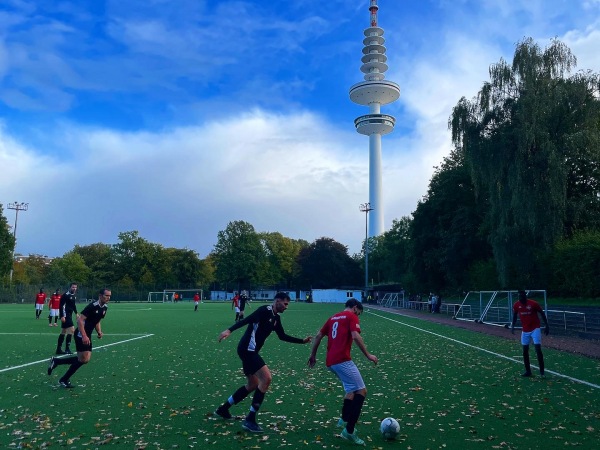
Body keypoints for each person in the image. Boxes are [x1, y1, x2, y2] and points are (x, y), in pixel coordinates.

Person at [214, 292, 312, 433]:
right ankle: (250, 420)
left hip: (248, 351)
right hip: (248, 350)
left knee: (253, 384)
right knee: (266, 379)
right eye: (285, 303)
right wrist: (229, 330)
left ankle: (223, 409)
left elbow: (282, 336)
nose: (286, 307)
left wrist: (302, 341)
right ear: (277, 301)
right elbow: (248, 319)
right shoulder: (264, 310)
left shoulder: (276, 318)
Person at [307, 298, 378, 446]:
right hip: (342, 360)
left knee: (351, 390)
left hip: (331, 362)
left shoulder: (333, 317)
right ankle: (349, 431)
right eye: (359, 312)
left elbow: (319, 336)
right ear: (355, 307)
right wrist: (368, 355)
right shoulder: (351, 316)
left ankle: (344, 419)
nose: (358, 315)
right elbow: (355, 336)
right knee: (362, 391)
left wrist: (313, 355)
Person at [47, 288, 111, 388]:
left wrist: (99, 332)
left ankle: (56, 361)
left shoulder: (105, 308)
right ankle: (63, 379)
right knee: (83, 359)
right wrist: (84, 336)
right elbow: (80, 320)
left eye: (109, 296)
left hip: (87, 334)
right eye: (106, 295)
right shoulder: (92, 306)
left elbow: (97, 321)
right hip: (81, 334)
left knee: (84, 359)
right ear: (100, 295)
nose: (108, 298)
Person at [511, 290, 550, 377]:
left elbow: (542, 313)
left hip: (535, 328)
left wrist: (547, 325)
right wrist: (513, 326)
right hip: (525, 330)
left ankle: (542, 372)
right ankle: (528, 371)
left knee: (538, 349)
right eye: (519, 297)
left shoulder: (533, 304)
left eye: (522, 296)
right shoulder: (516, 305)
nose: (520, 298)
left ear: (525, 296)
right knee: (525, 351)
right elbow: (514, 315)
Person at [55, 283, 79, 355]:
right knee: (72, 330)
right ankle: (67, 349)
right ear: (70, 287)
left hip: (70, 315)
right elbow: (61, 306)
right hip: (66, 315)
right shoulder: (65, 295)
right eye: (73, 287)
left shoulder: (73, 295)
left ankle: (58, 349)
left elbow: (73, 305)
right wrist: (62, 316)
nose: (74, 288)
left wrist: (76, 313)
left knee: (63, 331)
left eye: (75, 287)